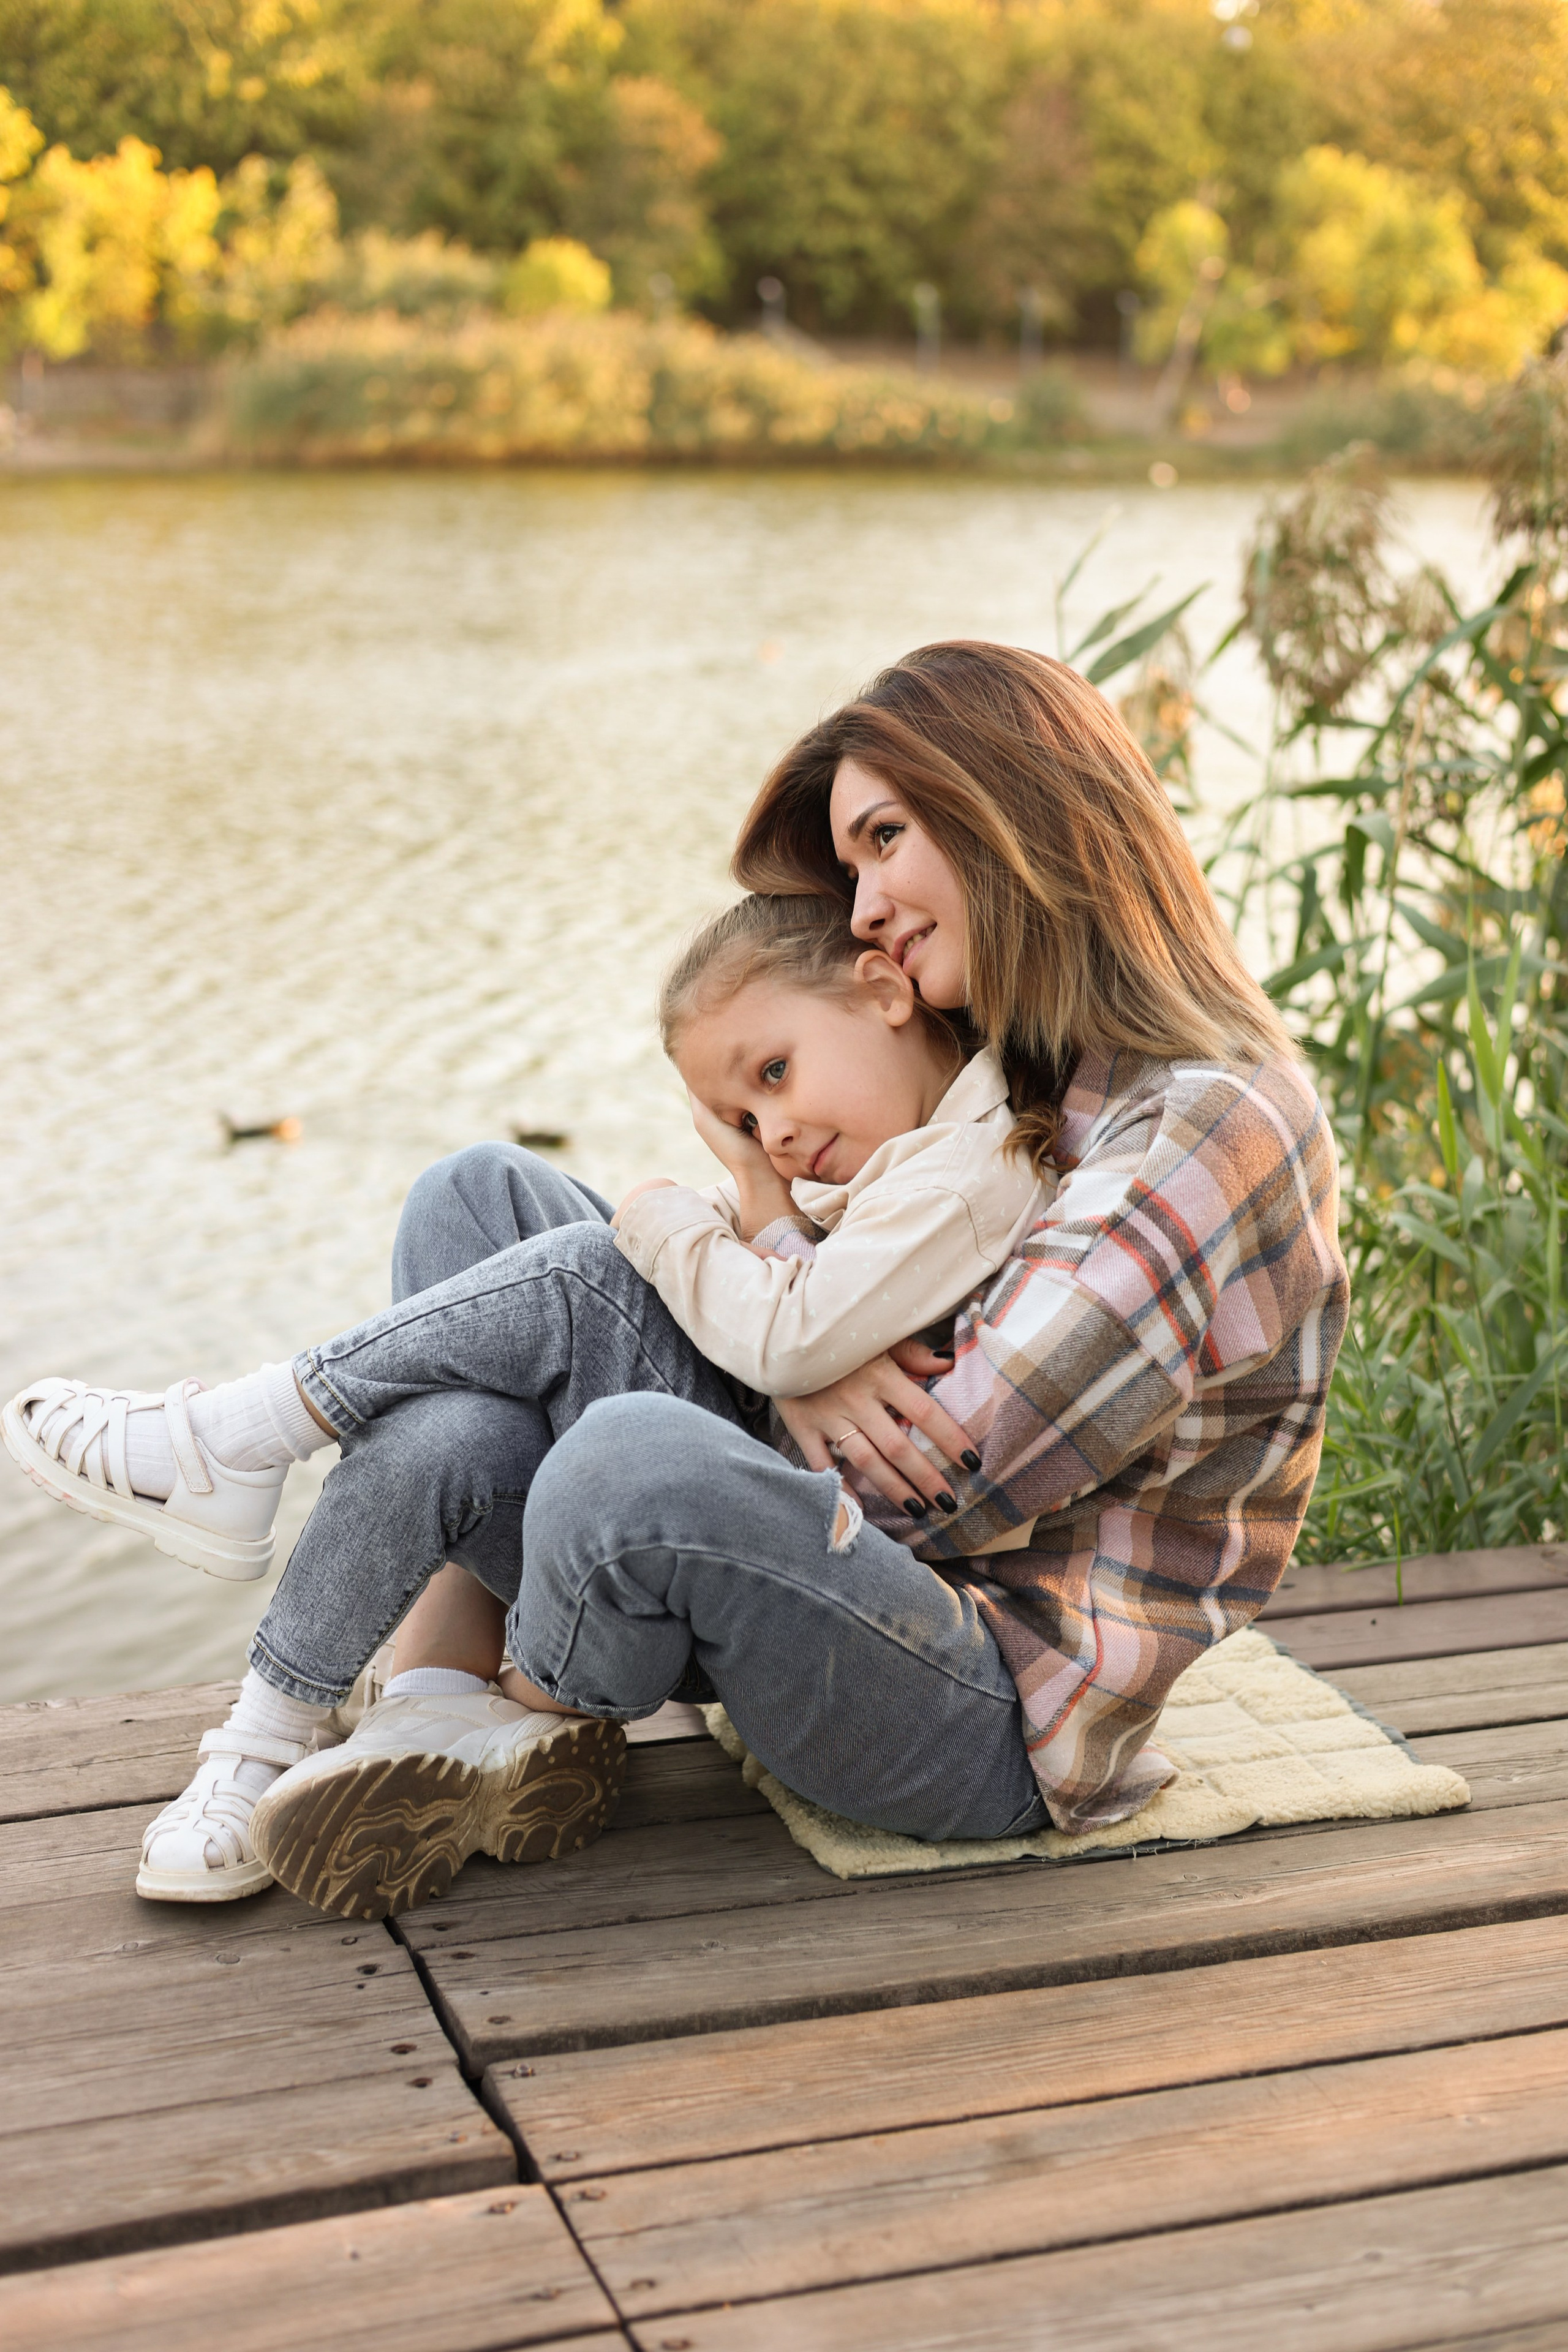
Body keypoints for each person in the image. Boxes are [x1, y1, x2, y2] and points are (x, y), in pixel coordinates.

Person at [10, 639, 1349, 1922]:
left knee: (624, 1422)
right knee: (477, 1200)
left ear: (1016, 809)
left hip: (971, 1700)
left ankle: (258, 1455)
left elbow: (932, 1487)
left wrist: (783, 1328)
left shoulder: (1203, 1128)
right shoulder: (1028, 1065)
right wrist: (781, 1272)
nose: (866, 909)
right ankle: (431, 1700)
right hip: (825, 1566)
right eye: (853, 862)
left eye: (885, 838)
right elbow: (859, 1292)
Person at [6, 889, 1050, 1912]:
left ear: (884, 992)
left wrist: (662, 1211)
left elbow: (784, 1333)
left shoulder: (962, 1175)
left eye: (774, 1075)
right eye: (740, 1116)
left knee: (588, 1272)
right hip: (727, 1471)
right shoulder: (871, 1156)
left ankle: (245, 1435)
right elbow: (789, 1308)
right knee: (471, 1201)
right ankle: (329, 1715)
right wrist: (762, 1217)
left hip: (765, 1556)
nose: (770, 1132)